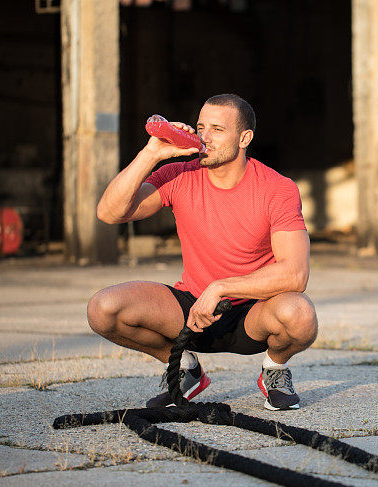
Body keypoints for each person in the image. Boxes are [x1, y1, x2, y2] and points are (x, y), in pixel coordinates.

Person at [87, 94, 317, 410]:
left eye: (217, 129)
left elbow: (296, 273)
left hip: (253, 313)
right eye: (200, 127)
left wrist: (221, 287)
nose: (204, 137)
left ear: (244, 138)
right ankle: (184, 368)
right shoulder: (180, 174)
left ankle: (275, 368)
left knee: (300, 315)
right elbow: (109, 213)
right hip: (192, 312)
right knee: (104, 309)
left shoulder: (277, 188)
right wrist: (152, 153)